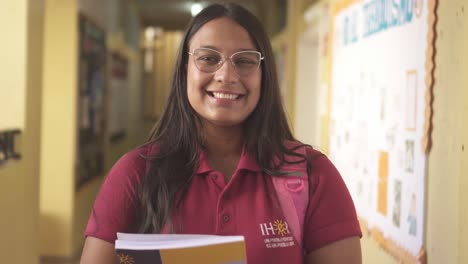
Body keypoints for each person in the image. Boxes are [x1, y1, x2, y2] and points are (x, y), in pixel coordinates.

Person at [80, 3, 362, 264]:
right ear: (184, 70)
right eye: (208, 58)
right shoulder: (135, 173)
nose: (226, 75)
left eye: (245, 61)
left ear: (264, 74)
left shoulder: (313, 176)